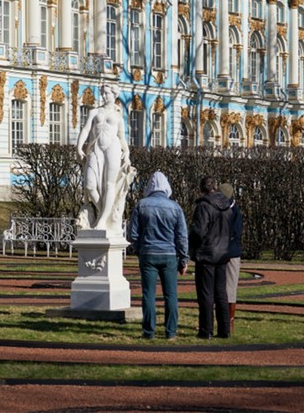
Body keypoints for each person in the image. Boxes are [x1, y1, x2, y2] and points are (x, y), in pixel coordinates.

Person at [127, 171, 188, 340]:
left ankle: (149, 332)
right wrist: (183, 258)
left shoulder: (141, 205)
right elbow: (182, 236)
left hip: (148, 253)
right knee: (171, 295)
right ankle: (171, 331)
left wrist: (140, 250)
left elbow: (133, 234)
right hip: (169, 255)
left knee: (148, 294)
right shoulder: (175, 207)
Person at [75, 83, 133, 233]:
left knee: (109, 185)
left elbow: (121, 137)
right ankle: (103, 213)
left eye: (107, 93)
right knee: (90, 185)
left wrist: (127, 152)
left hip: (112, 148)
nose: (104, 96)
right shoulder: (95, 112)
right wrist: (79, 147)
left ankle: (102, 221)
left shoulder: (118, 116)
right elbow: (86, 129)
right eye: (103, 93)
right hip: (95, 148)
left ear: (114, 95)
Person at [189, 176, 233, 339]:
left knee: (206, 294)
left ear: (202, 189)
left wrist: (193, 241)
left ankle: (206, 330)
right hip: (223, 252)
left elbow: (199, 231)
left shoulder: (204, 206)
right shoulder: (227, 206)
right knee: (221, 292)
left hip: (207, 253)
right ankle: (224, 330)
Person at [219, 182, 244, 333]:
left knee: (225, 287)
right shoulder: (235, 210)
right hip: (231, 251)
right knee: (229, 287)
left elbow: (235, 233)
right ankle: (228, 321)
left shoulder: (230, 210)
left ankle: (229, 321)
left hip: (225, 251)